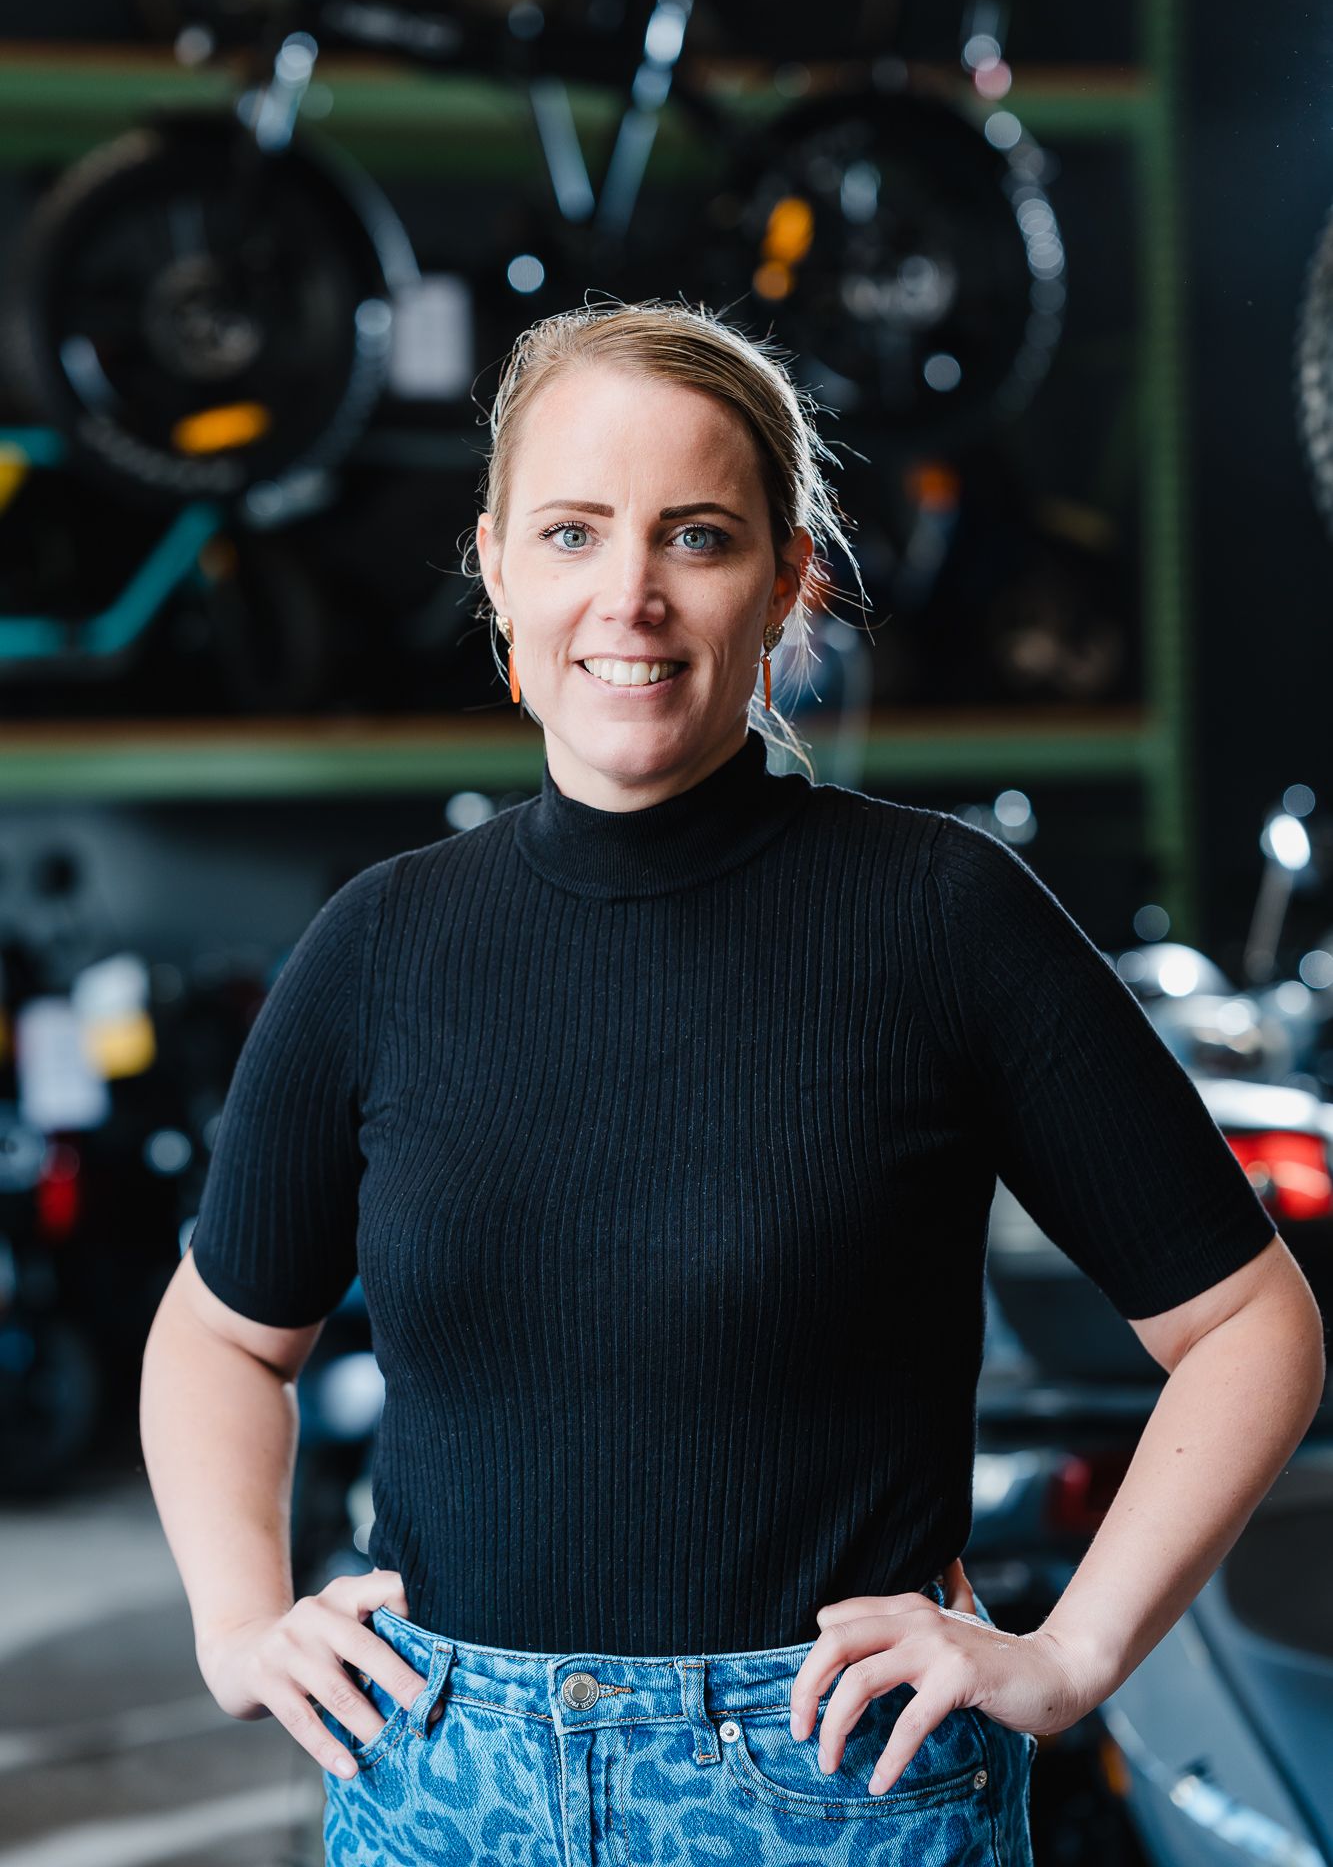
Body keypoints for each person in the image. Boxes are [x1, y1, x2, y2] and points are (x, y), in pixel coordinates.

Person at [140, 299, 1326, 1867]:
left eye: (693, 537)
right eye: (571, 533)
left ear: (785, 584)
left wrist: (1067, 1657)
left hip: (828, 1793)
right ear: (496, 570)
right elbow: (221, 1336)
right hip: (442, 1796)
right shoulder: (383, 944)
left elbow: (1248, 1326)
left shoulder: (940, 920)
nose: (627, 596)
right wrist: (239, 1626)